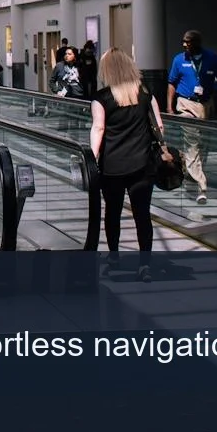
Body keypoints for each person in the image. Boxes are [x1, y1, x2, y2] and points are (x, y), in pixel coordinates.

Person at [89, 48, 163, 279]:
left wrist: (92, 159)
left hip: (112, 166)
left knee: (112, 212)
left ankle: (114, 257)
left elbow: (99, 128)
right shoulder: (145, 93)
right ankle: (145, 264)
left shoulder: (102, 98)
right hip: (142, 164)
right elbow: (159, 127)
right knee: (143, 214)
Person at [166, 31, 217, 203]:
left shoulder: (212, 58)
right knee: (192, 141)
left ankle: (193, 173)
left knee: (203, 143)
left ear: (197, 42)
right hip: (186, 104)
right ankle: (202, 184)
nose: (184, 45)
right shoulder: (179, 60)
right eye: (183, 42)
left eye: (188, 42)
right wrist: (169, 106)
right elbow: (171, 83)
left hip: (206, 105)